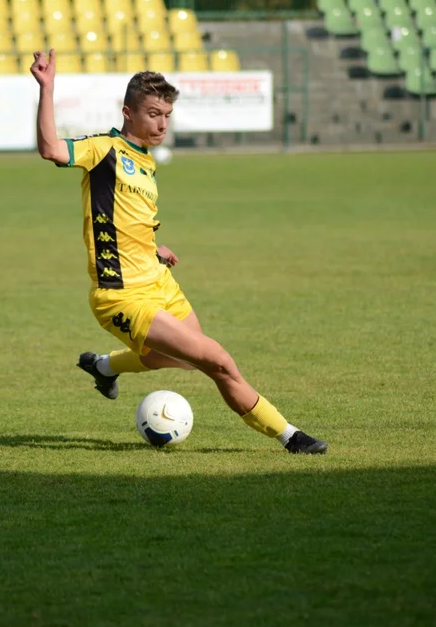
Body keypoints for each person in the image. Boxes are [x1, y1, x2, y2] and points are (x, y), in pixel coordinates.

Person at [30, 50, 327, 455]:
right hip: (122, 296)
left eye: (167, 114)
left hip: (159, 283)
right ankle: (289, 435)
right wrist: (47, 89)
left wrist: (153, 248)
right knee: (217, 361)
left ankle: (102, 366)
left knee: (181, 359)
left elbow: (125, 219)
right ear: (128, 112)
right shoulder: (103, 150)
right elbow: (50, 148)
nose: (162, 123)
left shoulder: (146, 163)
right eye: (154, 113)